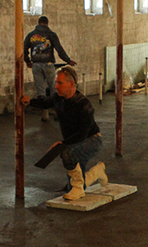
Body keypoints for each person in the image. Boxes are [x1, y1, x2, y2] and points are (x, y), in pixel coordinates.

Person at [22, 66, 107, 200]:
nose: (56, 86)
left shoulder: (84, 105)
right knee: (73, 184)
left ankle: (78, 189)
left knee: (67, 153)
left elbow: (82, 134)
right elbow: (45, 102)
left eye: (60, 83)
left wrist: (62, 143)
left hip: (92, 141)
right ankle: (97, 172)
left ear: (71, 84)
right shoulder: (58, 98)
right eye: (56, 82)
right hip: (74, 141)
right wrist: (29, 102)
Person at [24, 16, 77, 122]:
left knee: (40, 90)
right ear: (47, 23)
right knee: (55, 89)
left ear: (38, 23)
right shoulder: (51, 34)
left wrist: (28, 61)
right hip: (48, 64)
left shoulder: (30, 35)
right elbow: (59, 49)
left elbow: (24, 49)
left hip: (36, 64)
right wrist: (68, 60)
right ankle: (58, 113)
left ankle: (45, 115)